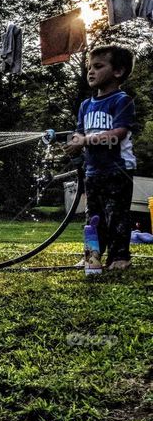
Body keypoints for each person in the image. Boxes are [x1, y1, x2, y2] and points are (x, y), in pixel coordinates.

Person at [65, 44, 138, 271]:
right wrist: (75, 144)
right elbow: (80, 132)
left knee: (116, 215)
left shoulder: (121, 101)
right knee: (93, 217)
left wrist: (86, 141)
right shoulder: (86, 105)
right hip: (92, 170)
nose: (91, 71)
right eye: (89, 67)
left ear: (118, 71)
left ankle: (120, 257)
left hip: (118, 169)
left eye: (98, 66)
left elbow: (119, 133)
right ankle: (92, 257)